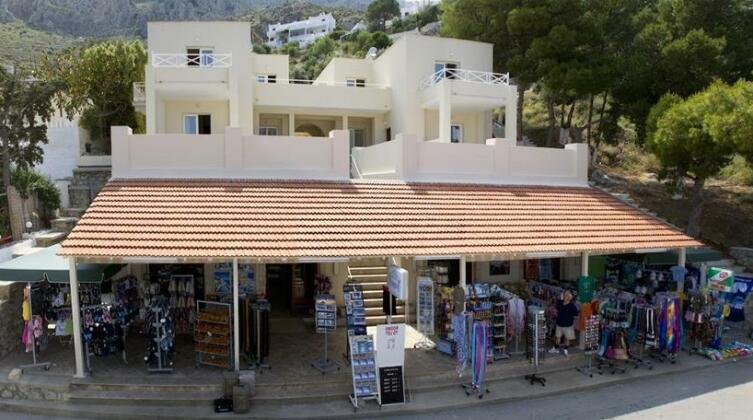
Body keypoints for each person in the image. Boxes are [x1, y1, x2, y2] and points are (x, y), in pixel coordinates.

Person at [550, 290, 579, 356]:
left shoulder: (572, 306)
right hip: (559, 323)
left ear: (570, 297)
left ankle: (565, 349)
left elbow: (576, 314)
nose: (565, 296)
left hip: (568, 325)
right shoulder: (559, 302)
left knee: (567, 338)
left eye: (567, 295)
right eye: (564, 295)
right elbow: (556, 309)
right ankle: (555, 348)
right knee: (558, 337)